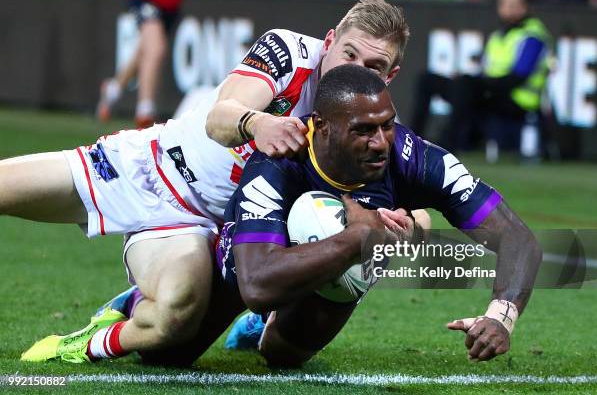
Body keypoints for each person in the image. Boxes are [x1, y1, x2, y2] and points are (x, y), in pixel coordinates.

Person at [24, 65, 542, 367]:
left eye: (386, 125)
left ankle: (267, 329)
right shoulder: (279, 161)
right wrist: (355, 239)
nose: (380, 140)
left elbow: (518, 239)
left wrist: (501, 315)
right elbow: (257, 284)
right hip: (253, 259)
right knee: (170, 355)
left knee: (284, 357)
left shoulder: (417, 158)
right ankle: (127, 307)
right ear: (322, 127)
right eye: (364, 129)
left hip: (326, 270)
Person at [12, 0, 414, 364]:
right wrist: (257, 123)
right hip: (146, 166)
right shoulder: (290, 52)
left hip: (198, 232)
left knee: (173, 325)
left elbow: (404, 209)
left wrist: (404, 227)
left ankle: (96, 336)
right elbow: (220, 117)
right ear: (329, 42)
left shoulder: (371, 129)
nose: (354, 72)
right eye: (349, 54)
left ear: (390, 76)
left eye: (372, 67)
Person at [411, 0, 551, 153]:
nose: (509, 9)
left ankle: (446, 145)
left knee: (467, 85)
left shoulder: (532, 35)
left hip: (517, 100)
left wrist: (480, 83)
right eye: (505, 4)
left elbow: (518, 77)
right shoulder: (499, 36)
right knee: (428, 80)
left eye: (514, 4)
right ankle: (413, 140)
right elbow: (487, 70)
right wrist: (473, 80)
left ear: (525, 7)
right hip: (491, 93)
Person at [97, 0, 185, 128]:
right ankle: (145, 111)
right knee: (156, 49)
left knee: (145, 51)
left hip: (170, 1)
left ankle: (112, 89)